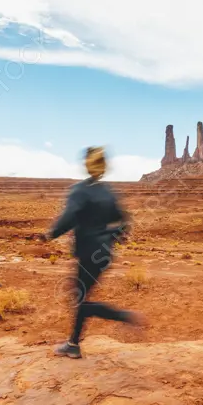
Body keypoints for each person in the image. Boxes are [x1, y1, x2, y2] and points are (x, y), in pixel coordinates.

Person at [45, 147, 142, 358]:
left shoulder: (80, 190)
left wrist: (50, 234)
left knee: (80, 300)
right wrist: (111, 238)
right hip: (104, 254)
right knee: (80, 297)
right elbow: (125, 221)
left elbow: (69, 217)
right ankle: (73, 344)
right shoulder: (108, 191)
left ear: (88, 164)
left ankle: (121, 315)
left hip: (89, 253)